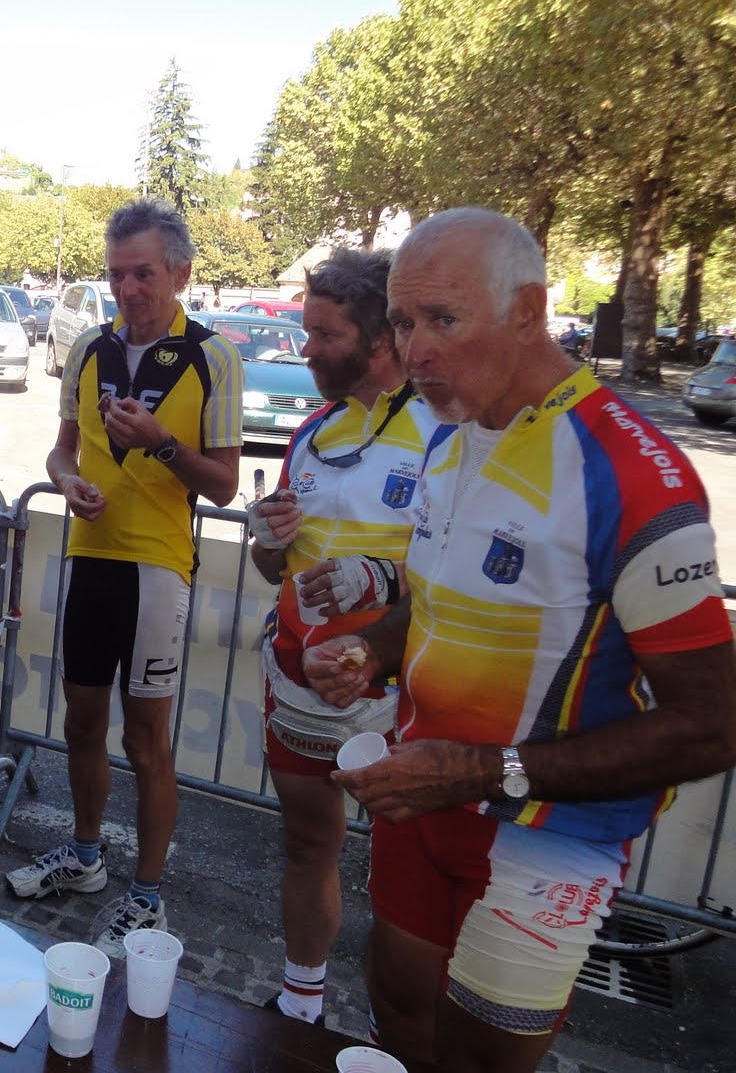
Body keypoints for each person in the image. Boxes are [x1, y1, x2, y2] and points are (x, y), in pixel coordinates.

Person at [304, 207, 736, 1072]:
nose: (416, 350)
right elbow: (436, 603)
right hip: (423, 794)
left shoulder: (633, 473)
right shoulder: (448, 436)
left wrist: (481, 771)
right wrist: (373, 650)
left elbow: (715, 725)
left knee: (478, 1060)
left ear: (529, 312)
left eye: (443, 318)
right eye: (403, 321)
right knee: (396, 1009)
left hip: (548, 830)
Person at [6, 198, 244, 955]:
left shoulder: (213, 356)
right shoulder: (89, 347)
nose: (128, 289)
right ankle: (84, 859)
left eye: (143, 273)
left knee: (146, 741)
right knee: (80, 722)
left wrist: (162, 443)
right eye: (116, 274)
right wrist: (67, 480)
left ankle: (146, 896)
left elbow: (225, 486)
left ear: (180, 274)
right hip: (91, 556)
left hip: (157, 569)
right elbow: (61, 450)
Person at [246, 248, 444, 1026]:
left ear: (382, 341)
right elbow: (272, 566)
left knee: (408, 873)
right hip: (299, 680)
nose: (308, 349)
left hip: (397, 693)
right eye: (308, 331)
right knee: (306, 844)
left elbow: (469, 579)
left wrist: (383, 580)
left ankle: (406, 1036)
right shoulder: (314, 429)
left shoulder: (441, 433)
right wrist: (267, 537)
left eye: (326, 335)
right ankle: (301, 1001)